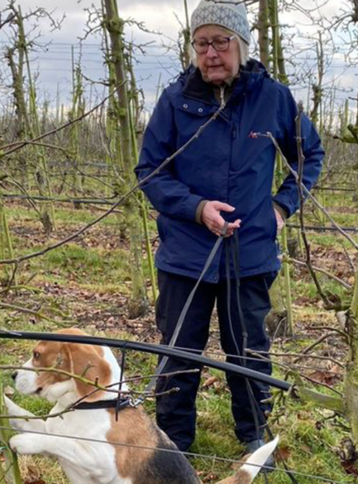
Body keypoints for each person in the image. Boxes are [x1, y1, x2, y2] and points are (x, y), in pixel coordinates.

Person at [134, 0, 324, 459]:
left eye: (221, 42)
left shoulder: (273, 98)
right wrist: (197, 209)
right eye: (202, 44)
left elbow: (309, 155)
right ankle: (173, 443)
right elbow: (150, 171)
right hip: (185, 252)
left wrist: (281, 207)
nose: (211, 53)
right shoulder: (175, 100)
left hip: (251, 251)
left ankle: (254, 437)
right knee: (179, 350)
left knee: (250, 350)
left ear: (241, 45)